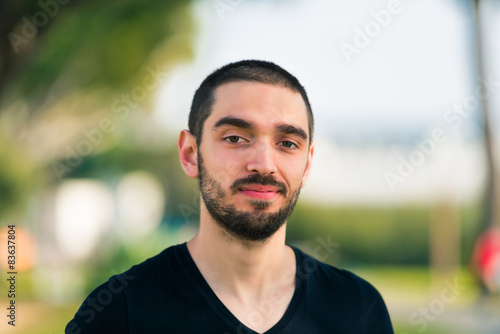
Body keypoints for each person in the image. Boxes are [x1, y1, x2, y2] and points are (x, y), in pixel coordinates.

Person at [66, 60, 394, 333]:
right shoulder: (119, 313)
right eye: (236, 138)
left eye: (287, 143)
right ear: (191, 154)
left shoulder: (358, 309)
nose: (264, 164)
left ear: (307, 164)